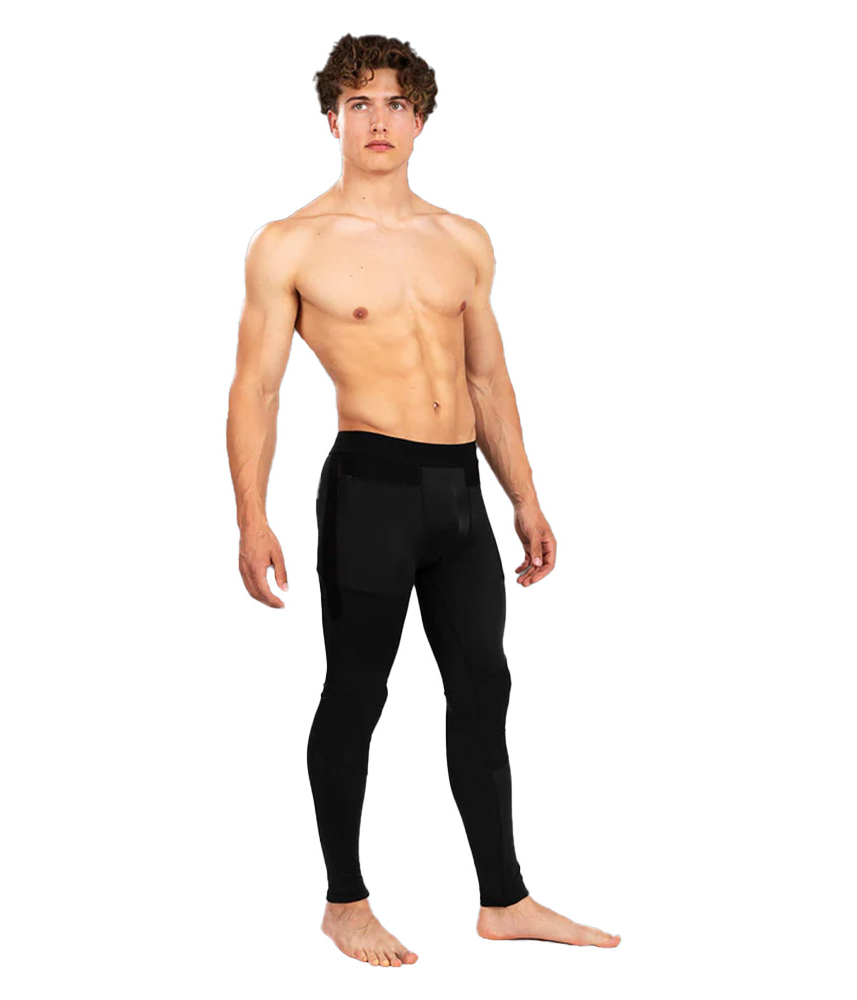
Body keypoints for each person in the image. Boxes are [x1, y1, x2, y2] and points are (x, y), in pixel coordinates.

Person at [226, 33, 621, 967]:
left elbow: (489, 379)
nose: (378, 120)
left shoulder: (463, 240)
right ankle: (345, 902)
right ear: (331, 118)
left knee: (484, 685)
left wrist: (525, 496)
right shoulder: (292, 243)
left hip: (459, 498)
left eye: (396, 104)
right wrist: (251, 515)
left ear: (421, 120)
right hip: (369, 488)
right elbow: (257, 389)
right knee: (357, 692)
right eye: (358, 103)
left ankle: (504, 900)